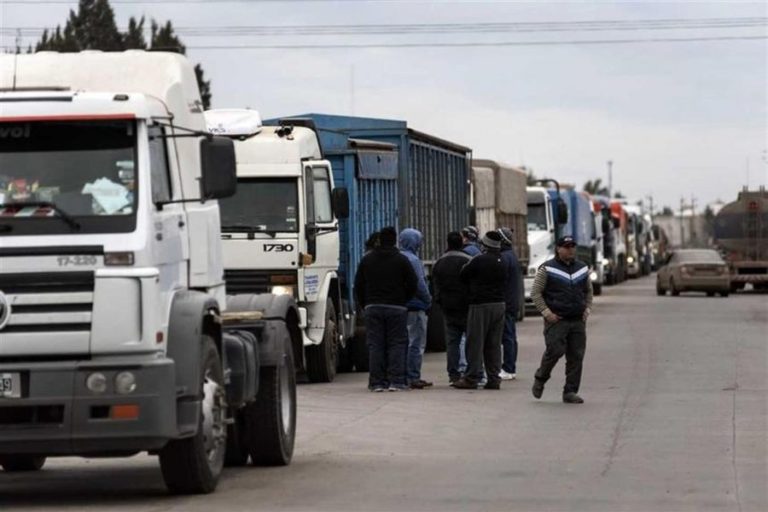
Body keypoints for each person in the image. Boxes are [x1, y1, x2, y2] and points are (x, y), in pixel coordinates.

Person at [530, 235, 594, 404]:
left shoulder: (582, 268)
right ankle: (541, 378)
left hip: (577, 320)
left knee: (576, 356)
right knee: (555, 351)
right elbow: (535, 293)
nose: (570, 249)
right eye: (566, 246)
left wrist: (587, 308)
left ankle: (570, 391)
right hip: (556, 320)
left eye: (572, 246)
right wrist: (546, 312)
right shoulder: (547, 268)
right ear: (558, 249)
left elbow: (588, 291)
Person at [354, 226, 418, 392]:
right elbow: (413, 283)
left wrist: (364, 304)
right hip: (397, 307)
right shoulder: (402, 260)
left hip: (373, 307)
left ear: (380, 240)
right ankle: (396, 381)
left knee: (376, 344)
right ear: (395, 240)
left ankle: (377, 382)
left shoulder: (367, 260)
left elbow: (358, 285)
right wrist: (404, 299)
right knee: (396, 344)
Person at [453, 231, 507, 390]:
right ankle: (494, 378)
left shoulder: (479, 260)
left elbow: (463, 275)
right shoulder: (503, 261)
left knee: (475, 342)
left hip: (480, 305)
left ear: (485, 245)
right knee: (494, 344)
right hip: (499, 305)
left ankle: (471, 377)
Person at [432, 231, 472, 384]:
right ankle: (469, 370)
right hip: (467, 307)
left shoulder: (439, 262)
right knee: (470, 340)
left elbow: (435, 286)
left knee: (452, 343)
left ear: (447, 243)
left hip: (448, 308)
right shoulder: (469, 260)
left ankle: (453, 374)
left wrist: (440, 301)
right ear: (461, 243)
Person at [399, 228, 433, 389]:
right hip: (415, 305)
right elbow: (420, 284)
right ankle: (413, 376)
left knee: (402, 343)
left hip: (400, 306)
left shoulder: (398, 257)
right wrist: (428, 300)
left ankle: (401, 375)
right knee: (416, 343)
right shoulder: (413, 260)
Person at [498, 227, 521, 381]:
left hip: (506, 301)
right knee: (510, 335)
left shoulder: (504, 257)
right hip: (512, 301)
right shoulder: (511, 255)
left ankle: (508, 367)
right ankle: (510, 366)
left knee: (507, 336)